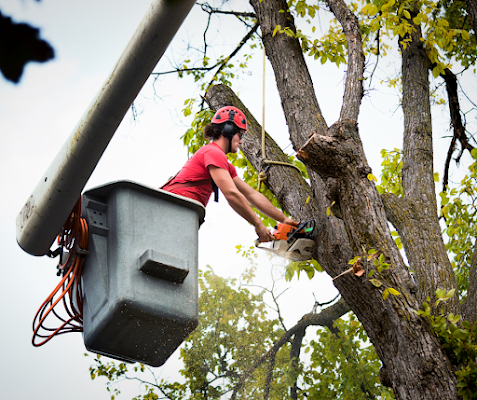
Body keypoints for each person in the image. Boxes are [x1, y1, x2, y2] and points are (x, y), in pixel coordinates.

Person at [162, 106, 298, 242]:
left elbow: (252, 194)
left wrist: (284, 219)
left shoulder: (223, 164)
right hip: (170, 209)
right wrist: (258, 224)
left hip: (180, 212)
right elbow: (232, 194)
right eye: (240, 135)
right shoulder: (213, 153)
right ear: (228, 130)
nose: (241, 141)